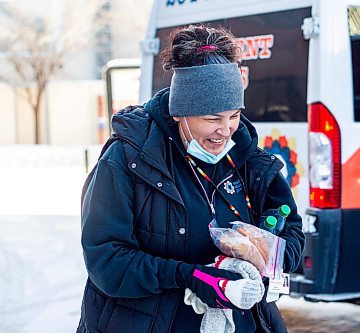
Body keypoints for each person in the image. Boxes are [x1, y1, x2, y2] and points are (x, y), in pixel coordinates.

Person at [76, 24, 304, 333]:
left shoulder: (248, 161)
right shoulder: (127, 160)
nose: (225, 131)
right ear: (179, 113)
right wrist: (193, 277)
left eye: (234, 115)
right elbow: (108, 262)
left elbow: (291, 236)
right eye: (212, 119)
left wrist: (265, 255)